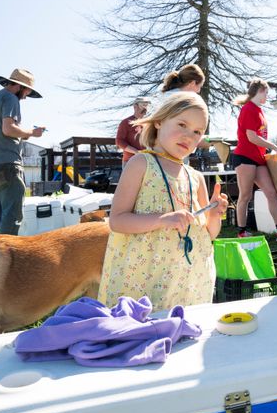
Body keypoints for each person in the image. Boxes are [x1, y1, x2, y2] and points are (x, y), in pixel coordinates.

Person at [98, 91, 229, 310]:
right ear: (159, 121)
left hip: (188, 285)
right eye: (182, 124)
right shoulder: (141, 164)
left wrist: (214, 215)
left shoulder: (195, 177)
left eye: (197, 131)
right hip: (143, 282)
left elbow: (208, 234)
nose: (189, 136)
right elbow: (117, 221)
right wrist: (162, 219)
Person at [0, 68, 46, 235]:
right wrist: (32, 133)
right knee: (12, 214)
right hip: (8, 165)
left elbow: (3, 129)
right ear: (19, 86)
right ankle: (6, 256)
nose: (26, 97)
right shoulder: (11, 98)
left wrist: (23, 135)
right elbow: (8, 129)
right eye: (27, 92)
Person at [230, 79, 277, 241]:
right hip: (244, 157)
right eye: (265, 92)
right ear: (258, 90)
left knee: (271, 193)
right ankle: (242, 231)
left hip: (258, 159)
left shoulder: (259, 110)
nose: (267, 96)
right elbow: (252, 137)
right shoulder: (248, 109)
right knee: (245, 195)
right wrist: (275, 147)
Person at [116, 97, 151, 168]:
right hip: (130, 161)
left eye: (147, 105)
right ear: (135, 107)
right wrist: (136, 152)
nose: (145, 108)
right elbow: (119, 141)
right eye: (143, 105)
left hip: (147, 161)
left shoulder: (148, 123)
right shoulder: (126, 122)